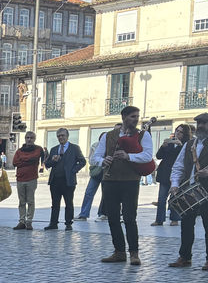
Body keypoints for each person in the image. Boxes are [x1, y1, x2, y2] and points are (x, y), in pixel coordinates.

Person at [91, 106, 154, 266]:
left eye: (137, 116)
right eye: (133, 116)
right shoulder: (108, 136)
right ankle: (119, 252)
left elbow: (148, 155)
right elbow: (95, 157)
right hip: (110, 180)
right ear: (124, 117)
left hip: (130, 181)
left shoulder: (143, 135)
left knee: (129, 218)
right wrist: (102, 161)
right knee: (112, 217)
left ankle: (134, 253)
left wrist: (129, 156)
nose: (136, 119)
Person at [168, 112, 208, 268]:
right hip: (189, 190)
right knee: (186, 226)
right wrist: (175, 184)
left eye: (204, 123)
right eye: (199, 123)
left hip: (206, 191)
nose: (201, 126)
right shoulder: (189, 144)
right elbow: (178, 166)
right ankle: (184, 257)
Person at [43, 128, 86, 231]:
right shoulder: (54, 149)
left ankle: (68, 223)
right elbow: (47, 164)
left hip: (68, 180)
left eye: (63, 135)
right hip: (55, 180)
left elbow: (82, 161)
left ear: (67, 136)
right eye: (59, 136)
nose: (61, 137)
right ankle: (53, 223)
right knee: (55, 203)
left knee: (69, 203)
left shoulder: (74, 148)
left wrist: (73, 170)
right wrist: (53, 160)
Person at [77, 123, 119, 221]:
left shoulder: (114, 146)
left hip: (107, 173)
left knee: (105, 194)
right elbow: (91, 160)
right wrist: (101, 160)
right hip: (96, 172)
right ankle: (84, 214)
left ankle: (102, 214)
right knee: (89, 192)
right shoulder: (95, 146)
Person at [153, 125, 187, 226]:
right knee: (161, 198)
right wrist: (163, 147)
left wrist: (180, 145)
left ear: (185, 134)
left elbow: (185, 158)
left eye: (181, 132)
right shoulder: (169, 143)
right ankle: (159, 220)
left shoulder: (186, 144)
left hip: (177, 175)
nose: (178, 133)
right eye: (177, 131)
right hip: (165, 174)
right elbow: (159, 156)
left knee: (175, 198)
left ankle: (174, 219)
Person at [12, 132, 44, 231]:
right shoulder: (19, 151)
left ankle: (29, 221)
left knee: (30, 201)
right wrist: (29, 161)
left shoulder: (38, 149)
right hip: (20, 179)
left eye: (31, 137)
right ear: (25, 138)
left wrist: (23, 160)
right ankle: (22, 221)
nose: (29, 139)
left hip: (32, 179)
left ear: (34, 139)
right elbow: (15, 162)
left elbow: (36, 157)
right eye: (27, 137)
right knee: (21, 201)